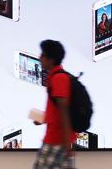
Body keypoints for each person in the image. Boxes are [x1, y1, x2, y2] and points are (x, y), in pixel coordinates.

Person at [33, 40, 76, 169]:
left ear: (51, 60)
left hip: (56, 140)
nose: (40, 57)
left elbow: (64, 111)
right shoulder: (56, 77)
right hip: (60, 140)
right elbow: (58, 111)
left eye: (43, 55)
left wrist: (67, 142)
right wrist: (44, 119)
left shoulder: (58, 79)